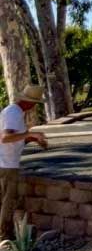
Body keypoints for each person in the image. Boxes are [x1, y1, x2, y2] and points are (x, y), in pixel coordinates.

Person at [0, 85, 48, 239]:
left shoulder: (13, 112)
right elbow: (6, 138)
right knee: (8, 201)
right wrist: (29, 134)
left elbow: (15, 138)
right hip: (6, 165)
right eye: (35, 104)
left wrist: (32, 138)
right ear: (30, 102)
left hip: (6, 162)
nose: (34, 107)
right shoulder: (13, 113)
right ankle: (4, 235)